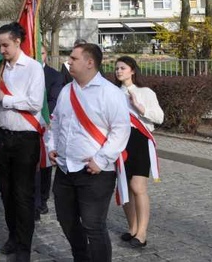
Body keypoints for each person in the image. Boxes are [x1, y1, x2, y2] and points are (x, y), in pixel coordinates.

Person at [46, 43, 130, 262]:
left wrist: (101, 160)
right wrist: (52, 146)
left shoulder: (110, 93)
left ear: (90, 62)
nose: (69, 62)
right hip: (65, 169)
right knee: (67, 221)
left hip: (95, 173)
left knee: (93, 225)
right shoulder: (67, 90)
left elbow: (121, 129)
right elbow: (55, 122)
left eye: (74, 58)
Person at [0, 23, 45, 262]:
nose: (1, 50)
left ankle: (24, 245)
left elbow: (35, 103)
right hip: (2, 137)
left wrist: (5, 99)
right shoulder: (0, 69)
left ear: (17, 41)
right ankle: (13, 235)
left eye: (5, 45)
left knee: (23, 194)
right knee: (5, 192)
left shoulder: (33, 67)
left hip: (25, 138)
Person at [114, 56, 164, 249]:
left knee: (138, 187)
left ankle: (142, 233)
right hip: (120, 141)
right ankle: (132, 227)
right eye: (117, 68)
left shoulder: (145, 92)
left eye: (123, 68)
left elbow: (159, 117)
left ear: (133, 70)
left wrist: (139, 107)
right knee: (124, 186)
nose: (119, 71)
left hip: (140, 141)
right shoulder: (113, 92)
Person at [35, 43, 65, 219]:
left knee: (44, 164)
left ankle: (43, 198)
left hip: (46, 122)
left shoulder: (55, 75)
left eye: (43, 53)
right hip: (28, 123)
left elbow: (54, 99)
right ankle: (35, 201)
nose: (40, 57)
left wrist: (43, 115)